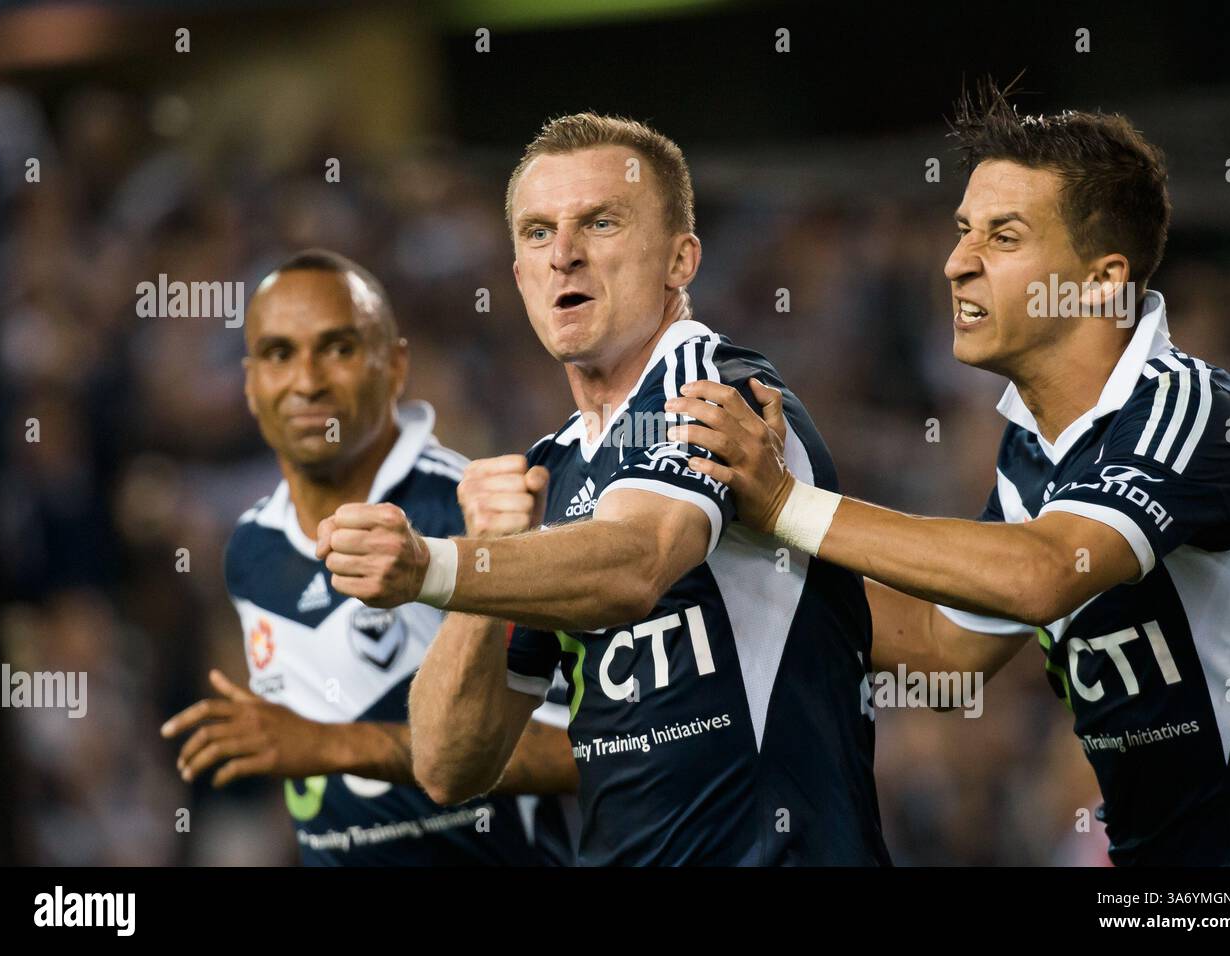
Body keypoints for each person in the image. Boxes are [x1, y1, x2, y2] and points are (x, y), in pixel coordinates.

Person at [666, 83, 1230, 866]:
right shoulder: (1037, 451)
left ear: (1102, 280)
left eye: (1003, 236)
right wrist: (748, 575)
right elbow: (945, 642)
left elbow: (1044, 574)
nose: (957, 264)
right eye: (963, 231)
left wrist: (788, 503)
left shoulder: (1188, 416)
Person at [316, 114, 890, 865]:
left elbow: (635, 563)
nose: (564, 256)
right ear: (519, 277)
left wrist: (436, 567)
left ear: (680, 259)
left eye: (601, 222)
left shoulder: (717, 387)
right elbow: (449, 764)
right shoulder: (549, 471)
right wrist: (487, 557)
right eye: (536, 233)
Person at [161, 249, 578, 865]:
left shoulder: (478, 518)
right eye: (279, 354)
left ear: (395, 365)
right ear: (250, 383)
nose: (307, 382)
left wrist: (332, 746)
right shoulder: (249, 553)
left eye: (338, 348)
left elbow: (585, 749)